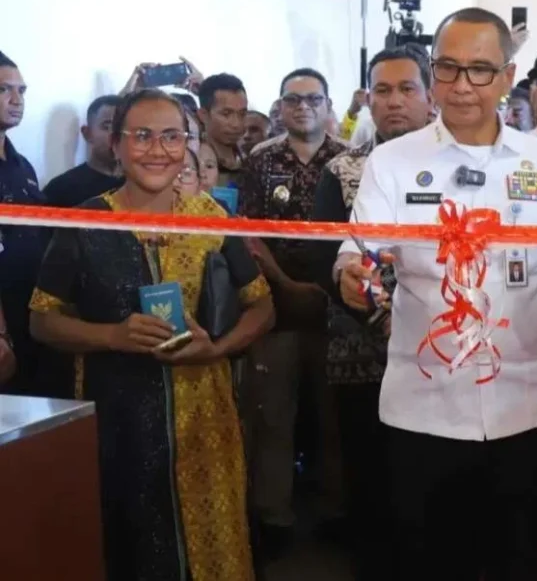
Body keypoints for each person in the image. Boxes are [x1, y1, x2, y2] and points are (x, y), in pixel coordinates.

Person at [335, 7, 537, 581]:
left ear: (507, 77)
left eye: (480, 70)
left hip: (527, 409)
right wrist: (354, 275)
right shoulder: (392, 162)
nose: (461, 86)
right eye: (447, 68)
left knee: (525, 562)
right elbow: (358, 253)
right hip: (423, 410)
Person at [27, 88, 275, 580]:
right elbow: (41, 320)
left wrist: (217, 349)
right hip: (117, 421)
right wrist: (112, 336)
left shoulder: (211, 220)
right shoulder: (84, 223)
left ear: (187, 144)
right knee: (131, 546)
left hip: (205, 420)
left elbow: (262, 307)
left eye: (171, 137)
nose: (157, 150)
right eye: (141, 136)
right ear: (115, 144)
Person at [311, 44, 434, 581]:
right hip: (362, 356)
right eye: (382, 90)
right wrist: (383, 320)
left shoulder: (457, 165)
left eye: (407, 89)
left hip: (443, 357)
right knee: (371, 478)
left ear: (430, 95)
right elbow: (325, 261)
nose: (394, 101)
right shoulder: (342, 170)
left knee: (434, 485)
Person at [239, 67, 347, 552]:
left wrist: (326, 288)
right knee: (274, 416)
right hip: (276, 307)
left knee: (334, 418)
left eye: (313, 99)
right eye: (293, 99)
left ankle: (336, 512)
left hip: (337, 309)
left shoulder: (349, 160)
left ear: (328, 106)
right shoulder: (261, 160)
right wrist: (287, 285)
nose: (303, 107)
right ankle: (274, 518)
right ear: (280, 106)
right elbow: (249, 235)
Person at [0, 50, 49, 395]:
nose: (17, 100)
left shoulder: (23, 166)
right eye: (4, 90)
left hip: (30, 318)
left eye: (22, 90)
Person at [44, 94, 124, 207]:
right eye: (107, 127)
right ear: (87, 133)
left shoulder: (140, 186)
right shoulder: (60, 189)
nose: (116, 135)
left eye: (122, 127)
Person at [197, 73, 248, 187]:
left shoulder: (252, 160)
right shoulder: (192, 163)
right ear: (203, 115)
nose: (236, 124)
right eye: (226, 114)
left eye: (242, 114)